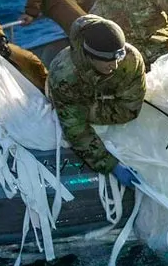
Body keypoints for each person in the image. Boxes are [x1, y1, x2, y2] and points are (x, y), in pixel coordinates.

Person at [47, 15, 146, 182]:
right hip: (71, 99)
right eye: (107, 60)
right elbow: (76, 129)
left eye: (118, 57)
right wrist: (110, 164)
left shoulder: (131, 59)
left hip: (95, 101)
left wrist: (94, 107)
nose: (115, 65)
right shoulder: (63, 75)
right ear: (91, 56)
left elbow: (130, 109)